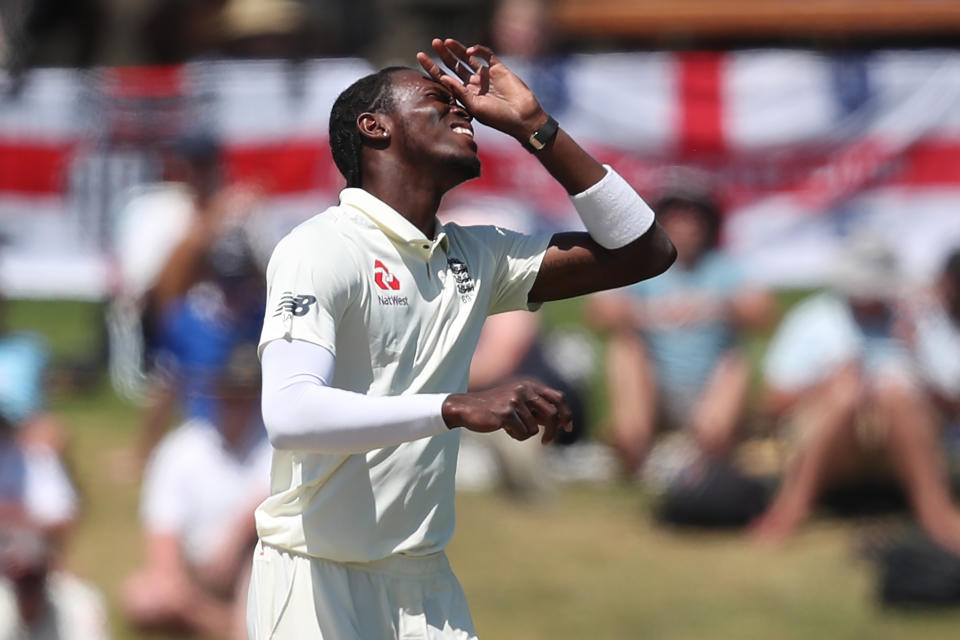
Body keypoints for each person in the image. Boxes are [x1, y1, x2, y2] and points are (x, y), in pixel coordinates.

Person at [248, 38, 676, 639]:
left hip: (425, 585)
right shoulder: (319, 248)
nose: (464, 111)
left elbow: (645, 251)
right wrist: (454, 407)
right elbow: (290, 414)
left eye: (464, 105)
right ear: (374, 127)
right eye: (436, 98)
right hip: (314, 582)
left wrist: (535, 126)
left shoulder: (477, 255)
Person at [751, 236, 960, 552]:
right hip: (834, 436)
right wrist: (825, 384)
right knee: (846, 394)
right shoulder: (813, 319)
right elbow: (773, 403)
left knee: (894, 393)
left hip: (905, 434)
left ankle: (935, 511)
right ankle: (792, 505)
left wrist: (919, 360)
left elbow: (952, 403)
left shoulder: (918, 320)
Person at [587, 191, 772, 483]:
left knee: (735, 360)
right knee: (625, 348)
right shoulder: (641, 265)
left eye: (694, 219)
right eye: (677, 218)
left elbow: (762, 315)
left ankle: (708, 446)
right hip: (654, 386)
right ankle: (634, 444)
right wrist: (651, 313)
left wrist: (718, 307)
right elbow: (599, 314)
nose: (686, 228)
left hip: (708, 384)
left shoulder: (725, 268)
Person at [122, 344, 271, 639]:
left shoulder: (273, 447)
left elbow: (268, 507)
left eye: (246, 396)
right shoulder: (181, 448)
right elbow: (162, 534)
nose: (238, 404)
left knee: (253, 574)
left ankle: (233, 625)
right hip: (195, 570)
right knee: (142, 598)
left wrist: (236, 538)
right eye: (231, 395)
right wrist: (176, 579)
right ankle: (228, 626)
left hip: (254, 562)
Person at [0, 528, 110, 640]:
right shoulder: (3, 606)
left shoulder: (80, 603)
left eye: (32, 577)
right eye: (20, 577)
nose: (27, 589)